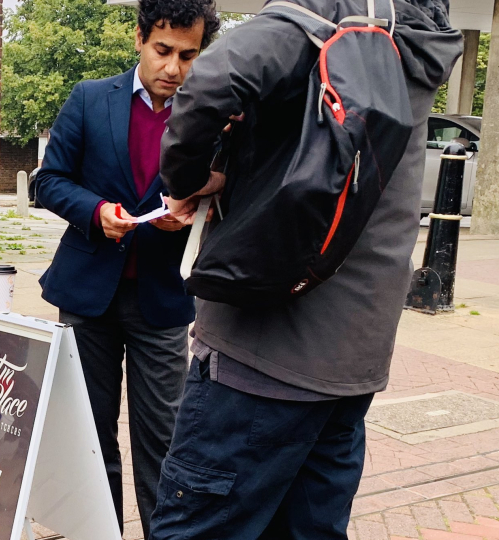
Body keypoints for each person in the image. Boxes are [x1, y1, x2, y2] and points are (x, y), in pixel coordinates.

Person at [151, 0, 462, 538]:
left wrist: (187, 180)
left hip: (264, 353)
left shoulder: (320, 14)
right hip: (356, 352)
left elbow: (209, 86)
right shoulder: (417, 35)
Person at [34, 1, 220, 536]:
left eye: (188, 55)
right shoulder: (91, 98)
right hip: (88, 295)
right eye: (163, 50)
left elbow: (228, 184)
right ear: (140, 37)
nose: (174, 68)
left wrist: (193, 208)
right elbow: (48, 180)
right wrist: (95, 211)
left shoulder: (211, 113)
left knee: (164, 439)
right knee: (90, 437)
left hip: (162, 298)